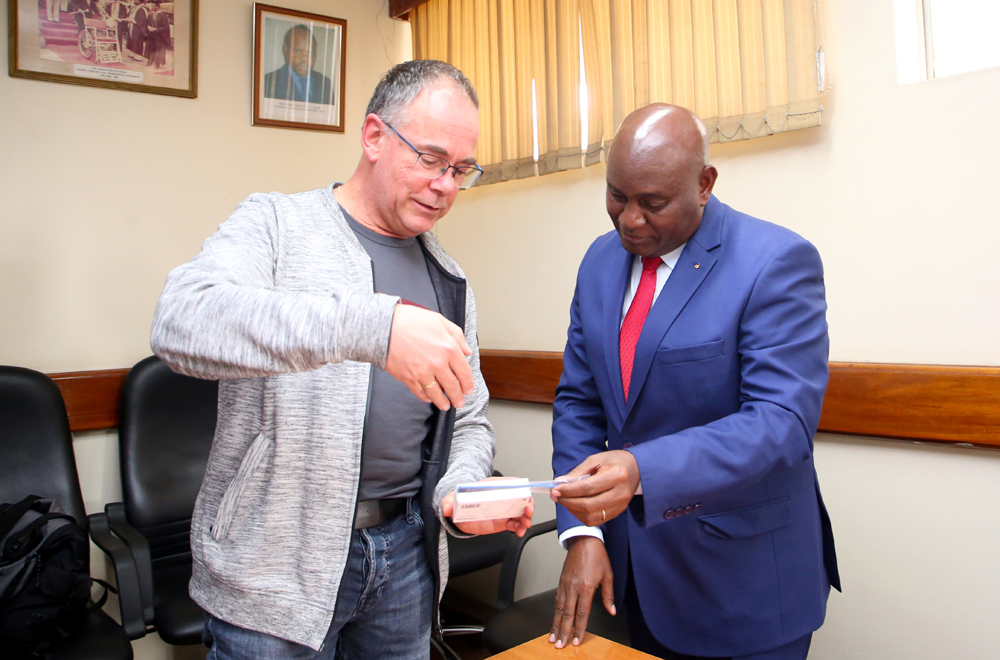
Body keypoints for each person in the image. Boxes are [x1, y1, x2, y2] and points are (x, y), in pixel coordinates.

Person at [150, 60, 529, 659]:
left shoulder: (449, 279)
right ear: (374, 137)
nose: (446, 186)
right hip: (273, 567)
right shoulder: (275, 224)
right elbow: (181, 320)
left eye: (461, 169)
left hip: (405, 560)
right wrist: (375, 327)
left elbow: (469, 416)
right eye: (430, 160)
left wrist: (461, 488)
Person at [547, 104, 840, 660]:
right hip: (640, 578)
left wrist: (642, 470)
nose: (630, 219)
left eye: (652, 203)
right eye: (616, 196)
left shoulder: (774, 261)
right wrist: (583, 532)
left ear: (704, 184)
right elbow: (579, 404)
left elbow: (781, 424)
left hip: (743, 583)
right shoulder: (599, 262)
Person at [263, 24, 336, 104]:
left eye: (310, 53)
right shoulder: (269, 82)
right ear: (285, 50)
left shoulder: (324, 83)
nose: (304, 58)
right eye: (297, 51)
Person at [144, 1, 171, 70]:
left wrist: (156, 29)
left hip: (159, 35)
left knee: (158, 49)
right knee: (150, 47)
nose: (151, 7)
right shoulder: (150, 15)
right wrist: (147, 27)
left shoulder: (163, 16)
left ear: (157, 7)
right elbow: (147, 23)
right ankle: (149, 60)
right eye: (151, 6)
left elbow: (166, 27)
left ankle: (157, 63)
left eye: (153, 6)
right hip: (151, 35)